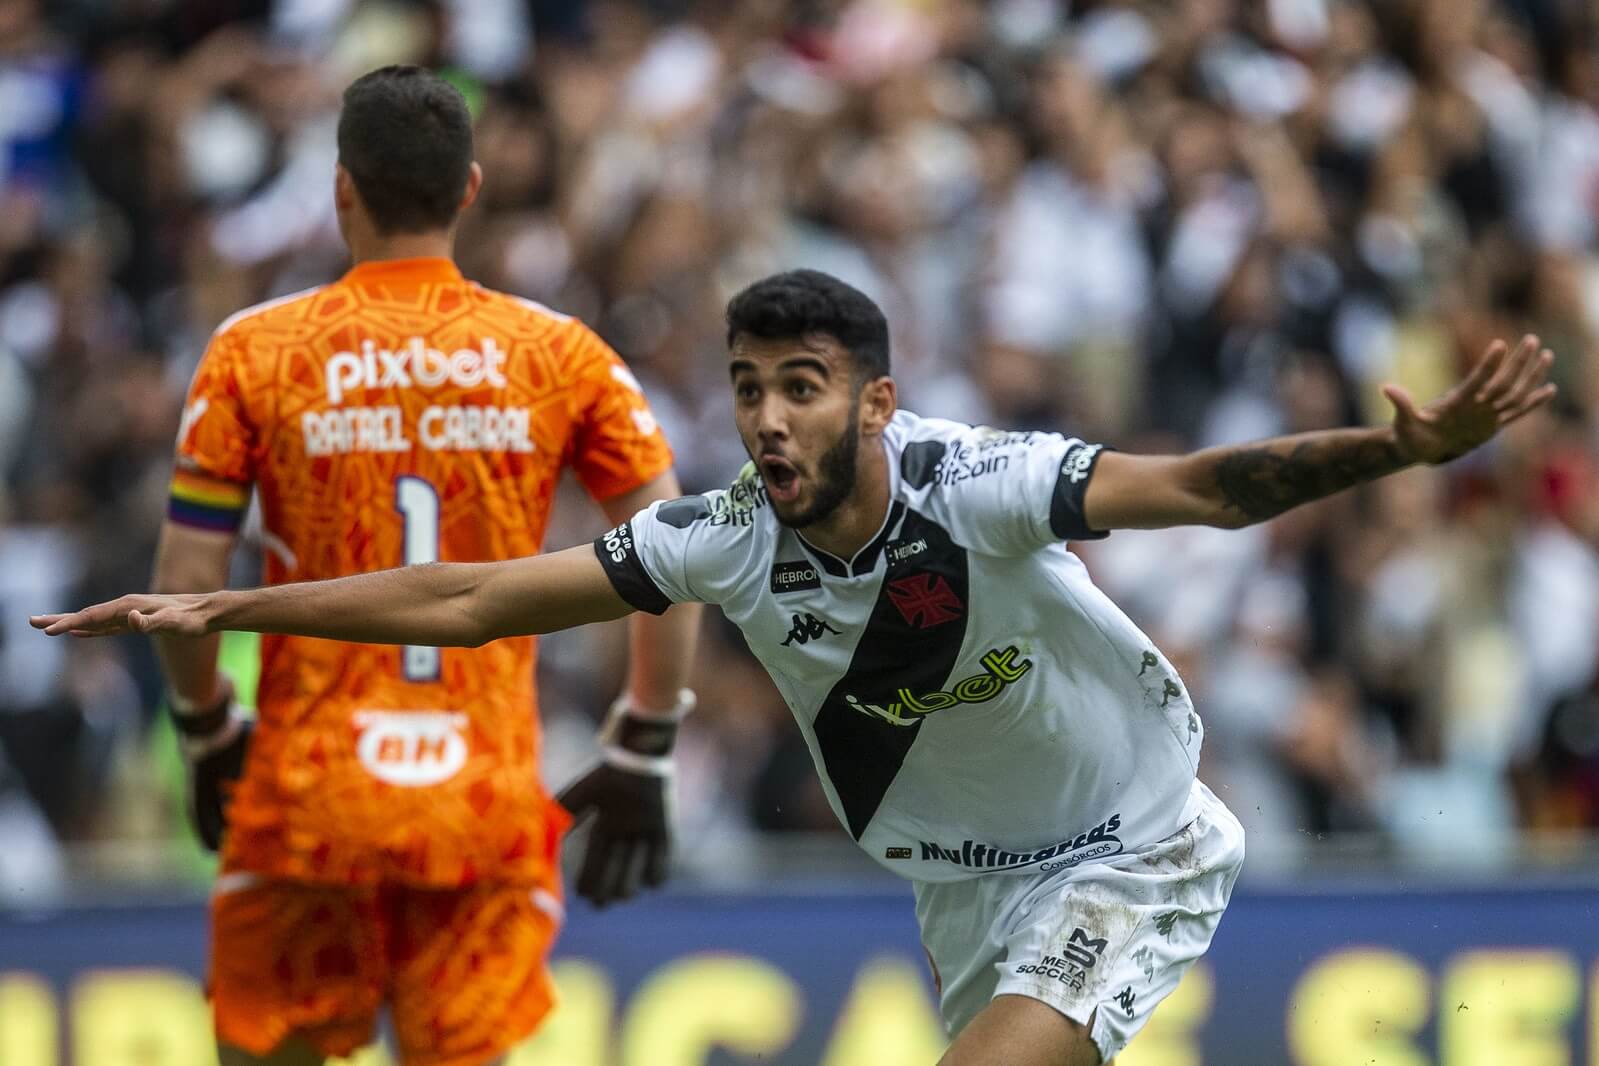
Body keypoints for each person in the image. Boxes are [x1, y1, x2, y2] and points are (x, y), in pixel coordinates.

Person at [39, 270, 1556, 1066]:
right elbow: (471, 595)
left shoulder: (981, 481)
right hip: (958, 880)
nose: (766, 419)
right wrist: (228, 611)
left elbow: (1211, 485)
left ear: (874, 400)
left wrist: (1397, 448)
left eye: (802, 388)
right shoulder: (718, 539)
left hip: (1128, 845)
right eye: (750, 387)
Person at [129, 66, 699, 1066]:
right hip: (479, 802)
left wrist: (206, 722)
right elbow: (674, 547)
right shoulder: (558, 353)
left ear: (341, 187)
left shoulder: (254, 351)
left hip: (310, 797)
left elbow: (183, 574)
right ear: (471, 188)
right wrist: (645, 736)